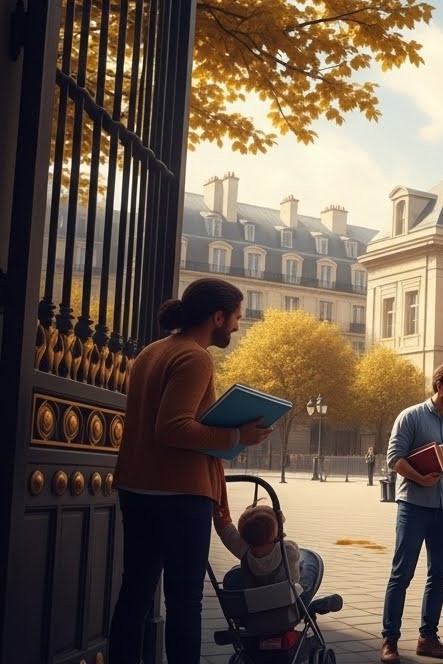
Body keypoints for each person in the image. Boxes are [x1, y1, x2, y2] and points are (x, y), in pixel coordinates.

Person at [108, 278, 272, 664]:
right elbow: (172, 427)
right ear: (217, 317)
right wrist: (238, 434)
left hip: (138, 487)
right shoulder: (195, 357)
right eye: (235, 317)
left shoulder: (152, 351)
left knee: (134, 593)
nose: (237, 325)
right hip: (179, 495)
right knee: (185, 601)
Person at [380, 364, 443, 663]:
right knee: (402, 574)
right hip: (413, 507)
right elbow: (394, 458)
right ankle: (390, 641)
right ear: (440, 386)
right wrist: (420, 478)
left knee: (438, 575)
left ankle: (428, 638)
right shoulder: (410, 417)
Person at [213, 500, 343, 616]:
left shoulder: (243, 550)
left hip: (256, 607)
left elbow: (226, 531)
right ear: (278, 529)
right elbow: (294, 579)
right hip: (287, 608)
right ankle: (308, 608)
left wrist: (216, 508)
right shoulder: (288, 550)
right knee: (310, 562)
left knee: (234, 574)